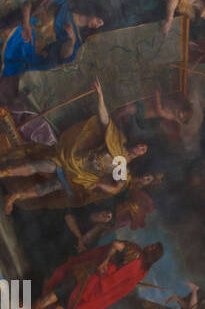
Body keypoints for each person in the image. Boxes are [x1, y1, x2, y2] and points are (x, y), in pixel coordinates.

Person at [0, 77, 147, 212]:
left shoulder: (122, 166)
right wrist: (100, 97)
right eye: (140, 145)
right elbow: (104, 121)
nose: (139, 147)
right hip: (72, 160)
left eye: (142, 149)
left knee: (48, 188)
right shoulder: (117, 141)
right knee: (41, 165)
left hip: (80, 178)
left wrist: (101, 185)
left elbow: (115, 188)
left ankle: (14, 197)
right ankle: (4, 172)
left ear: (141, 154)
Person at [31, 238, 164, 309]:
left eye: (152, 247)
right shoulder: (142, 272)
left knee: (59, 293)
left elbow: (115, 244)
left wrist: (104, 261)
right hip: (97, 292)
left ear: (152, 253)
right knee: (65, 305)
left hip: (90, 277)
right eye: (152, 244)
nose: (149, 246)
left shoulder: (134, 252)